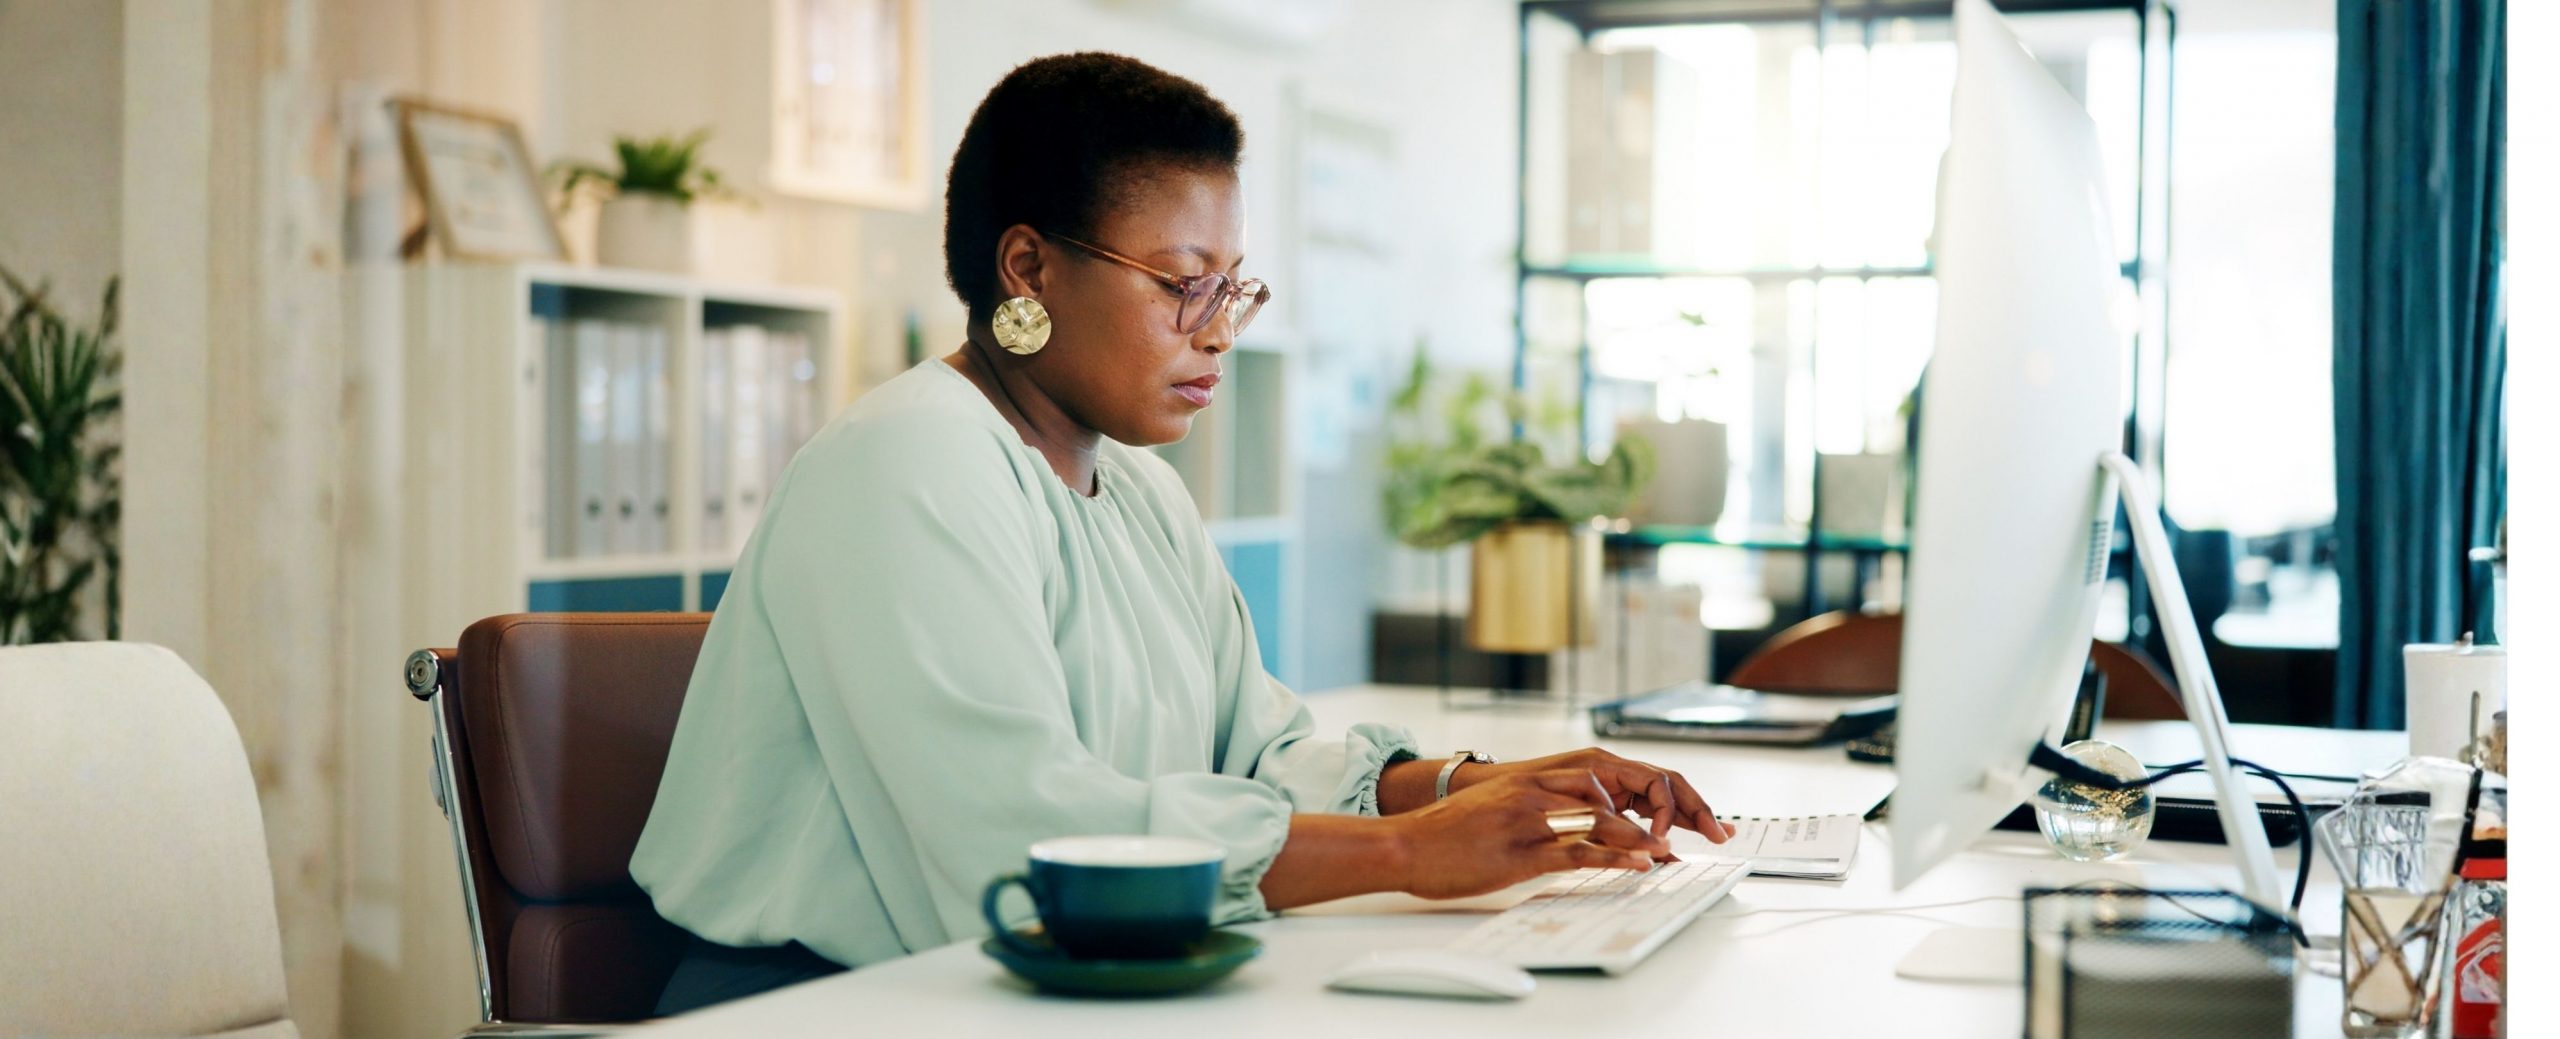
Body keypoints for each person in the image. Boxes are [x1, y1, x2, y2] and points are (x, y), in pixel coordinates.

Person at [632, 52, 1732, 1015]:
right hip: (829, 1004)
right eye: (1181, 287)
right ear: (1028, 269)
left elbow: (1255, 752)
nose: (1218, 334)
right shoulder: (901, 462)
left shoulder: (1138, 489)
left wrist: (1474, 789)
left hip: (1049, 987)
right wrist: (1403, 853)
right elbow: (1023, 833)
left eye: (1232, 290)